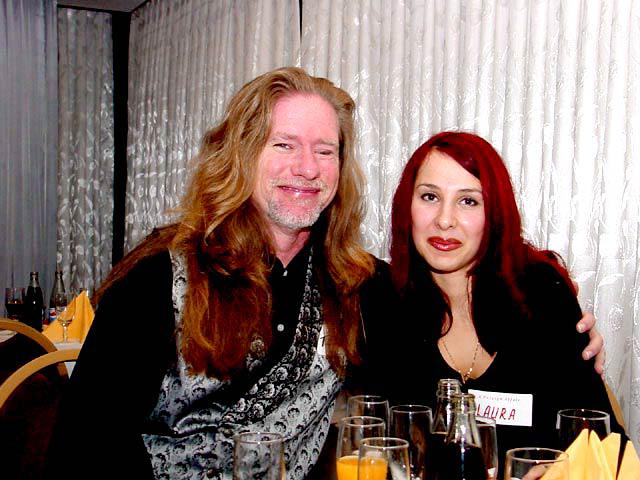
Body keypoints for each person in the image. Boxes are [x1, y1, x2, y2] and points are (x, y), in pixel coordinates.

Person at [46, 70, 603, 480]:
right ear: (240, 155)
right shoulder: (157, 281)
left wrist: (561, 310)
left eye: (325, 150)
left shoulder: (360, 287)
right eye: (283, 145)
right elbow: (80, 452)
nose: (307, 168)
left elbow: (433, 375)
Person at [361, 131, 623, 469]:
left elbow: (603, 442)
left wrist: (563, 469)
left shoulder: (540, 293)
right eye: (429, 196)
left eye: (468, 201)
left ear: (494, 214)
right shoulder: (381, 302)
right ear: (406, 207)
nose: (444, 220)